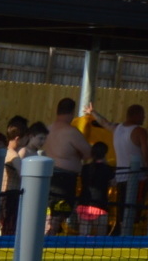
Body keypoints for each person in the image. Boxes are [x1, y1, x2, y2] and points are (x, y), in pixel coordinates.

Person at [42, 98, 91, 233]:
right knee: (55, 217)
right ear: (72, 112)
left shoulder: (47, 129)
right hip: (63, 180)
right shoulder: (72, 132)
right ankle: (47, 242)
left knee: (48, 215)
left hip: (47, 177)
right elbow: (88, 153)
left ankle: (45, 241)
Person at [110, 105, 148, 233]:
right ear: (136, 115)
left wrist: (93, 112)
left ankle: (121, 231)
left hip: (121, 177)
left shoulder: (117, 128)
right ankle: (128, 235)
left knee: (122, 210)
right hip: (137, 179)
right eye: (143, 114)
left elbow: (104, 122)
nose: (144, 117)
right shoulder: (140, 131)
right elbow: (146, 154)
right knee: (135, 212)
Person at [76, 142, 115, 236]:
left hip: (83, 205)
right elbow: (114, 183)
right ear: (105, 154)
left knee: (83, 239)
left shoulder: (85, 168)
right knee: (100, 240)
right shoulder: (108, 169)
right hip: (100, 206)